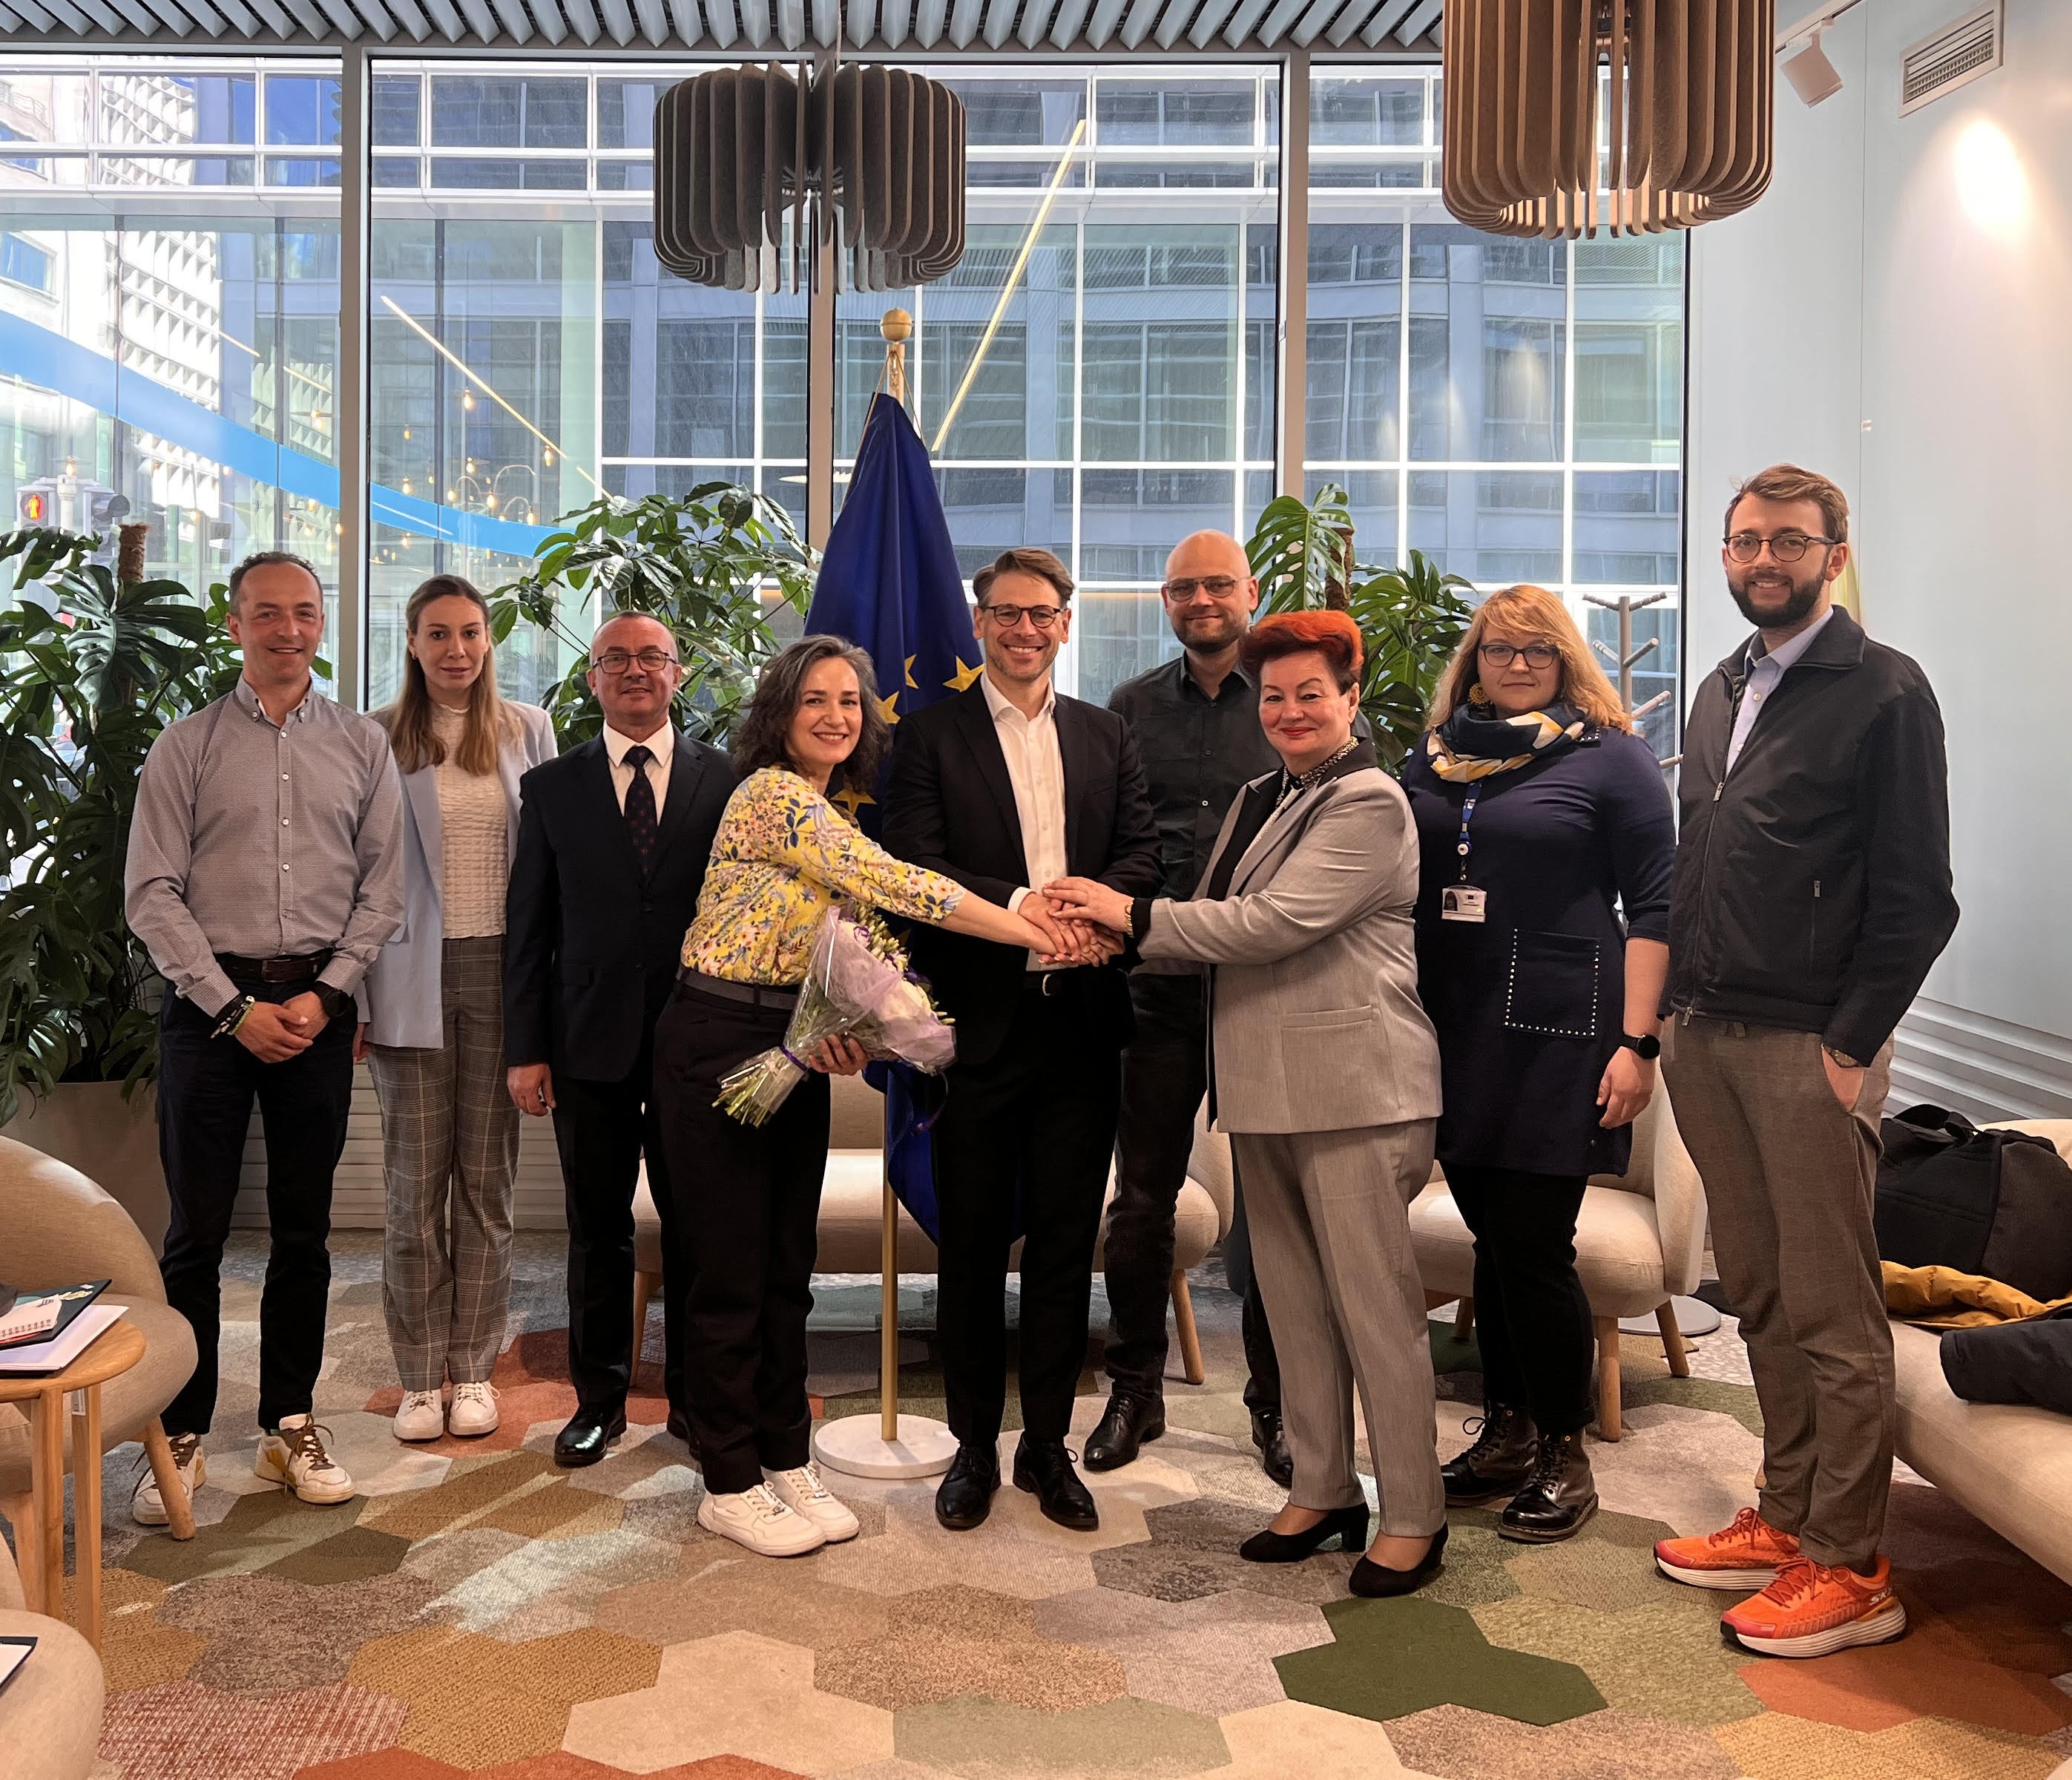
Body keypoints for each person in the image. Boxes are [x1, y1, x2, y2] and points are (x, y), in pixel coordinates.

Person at [1048, 611, 1447, 1598]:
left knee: (1375, 1312)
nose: (1290, 710)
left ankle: (1413, 1512)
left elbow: (1271, 922)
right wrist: (1108, 932)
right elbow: (1211, 908)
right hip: (1267, 1091)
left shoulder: (1368, 800)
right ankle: (1323, 1487)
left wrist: (1125, 914)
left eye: (1312, 692)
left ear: (1351, 699)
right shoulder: (1264, 796)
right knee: (1297, 1304)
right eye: (1274, 695)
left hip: (1355, 1092)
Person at [656, 636, 1056, 1557]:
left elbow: (840, 955)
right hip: (715, 1040)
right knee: (730, 1274)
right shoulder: (771, 795)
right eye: (815, 699)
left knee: (783, 1269)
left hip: (788, 1048)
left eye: (850, 700)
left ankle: (783, 1454)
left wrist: (850, 1032)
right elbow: (896, 884)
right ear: (779, 712)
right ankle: (728, 1478)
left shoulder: (827, 806)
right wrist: (1031, 922)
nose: (836, 715)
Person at [1652, 464, 1957, 1657]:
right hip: (1706, 1028)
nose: (1761, 559)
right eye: (1744, 541)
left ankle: (1852, 1561)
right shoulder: (1721, 685)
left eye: (1787, 540)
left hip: (1808, 1041)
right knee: (1760, 1288)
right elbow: (1700, 853)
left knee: (1833, 1305)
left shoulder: (1885, 689)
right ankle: (1786, 1513)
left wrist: (1852, 1041)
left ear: (1833, 554)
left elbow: (1918, 894)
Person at [883, 546, 1162, 1537]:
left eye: (1042, 613)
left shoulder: (1105, 732)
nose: (1024, 629)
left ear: (1064, 624)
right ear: (979, 621)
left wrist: (1095, 912)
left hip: (1081, 1025)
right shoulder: (929, 735)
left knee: (1061, 1246)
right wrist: (1022, 909)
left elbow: (1142, 851)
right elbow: (915, 864)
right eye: (1006, 612)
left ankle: (1046, 1444)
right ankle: (973, 1448)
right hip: (979, 1029)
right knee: (969, 1251)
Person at [125, 551, 404, 1521]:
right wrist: (229, 1006)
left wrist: (328, 994)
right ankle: (184, 1428)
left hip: (317, 1008)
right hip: (208, 1013)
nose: (289, 630)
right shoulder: (186, 745)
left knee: (303, 1229)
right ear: (235, 623)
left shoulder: (362, 744)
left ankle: (290, 1420)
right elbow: (151, 891)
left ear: (322, 624)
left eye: (305, 612)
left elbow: (384, 887)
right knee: (195, 1233)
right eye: (268, 613)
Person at [1401, 584, 1676, 1543]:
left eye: (1537, 649)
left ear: (1566, 660)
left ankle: (1566, 1449)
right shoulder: (1436, 755)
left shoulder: (1611, 756)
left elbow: (1657, 905)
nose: (1516, 664)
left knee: (1532, 1243)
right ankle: (1509, 1429)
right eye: (1498, 648)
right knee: (1493, 1238)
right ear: (1473, 660)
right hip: (1454, 1024)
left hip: (1561, 1032)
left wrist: (1639, 1044)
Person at [503, 612, 736, 1468]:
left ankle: (696, 1400)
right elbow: (529, 926)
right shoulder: (551, 787)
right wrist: (526, 1048)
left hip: (699, 1039)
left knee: (697, 1226)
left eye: (651, 657)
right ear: (593, 677)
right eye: (616, 659)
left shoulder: (730, 780)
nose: (635, 671)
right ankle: (597, 1401)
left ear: (679, 672)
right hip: (585, 1042)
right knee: (597, 1227)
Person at [1092, 531, 1290, 1482]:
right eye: (1183, 589)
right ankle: (1135, 1386)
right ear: (1165, 601)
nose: (1202, 601)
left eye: (1218, 585)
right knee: (1141, 1201)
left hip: (1270, 988)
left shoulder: (1295, 699)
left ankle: (1280, 1405)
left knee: (1279, 1207)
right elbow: (1110, 836)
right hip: (1158, 985)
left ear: (1250, 591)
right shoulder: (1128, 708)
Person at [361, 576, 558, 1444]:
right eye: (438, 634)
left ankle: (473, 1368)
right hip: (406, 977)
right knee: (413, 1193)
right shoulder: (375, 736)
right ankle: (417, 1376)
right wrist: (352, 992)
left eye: (471, 632)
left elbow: (550, 869)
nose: (456, 650)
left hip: (503, 976)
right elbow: (356, 875)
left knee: (487, 1186)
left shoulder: (527, 729)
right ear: (412, 642)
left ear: (489, 640)